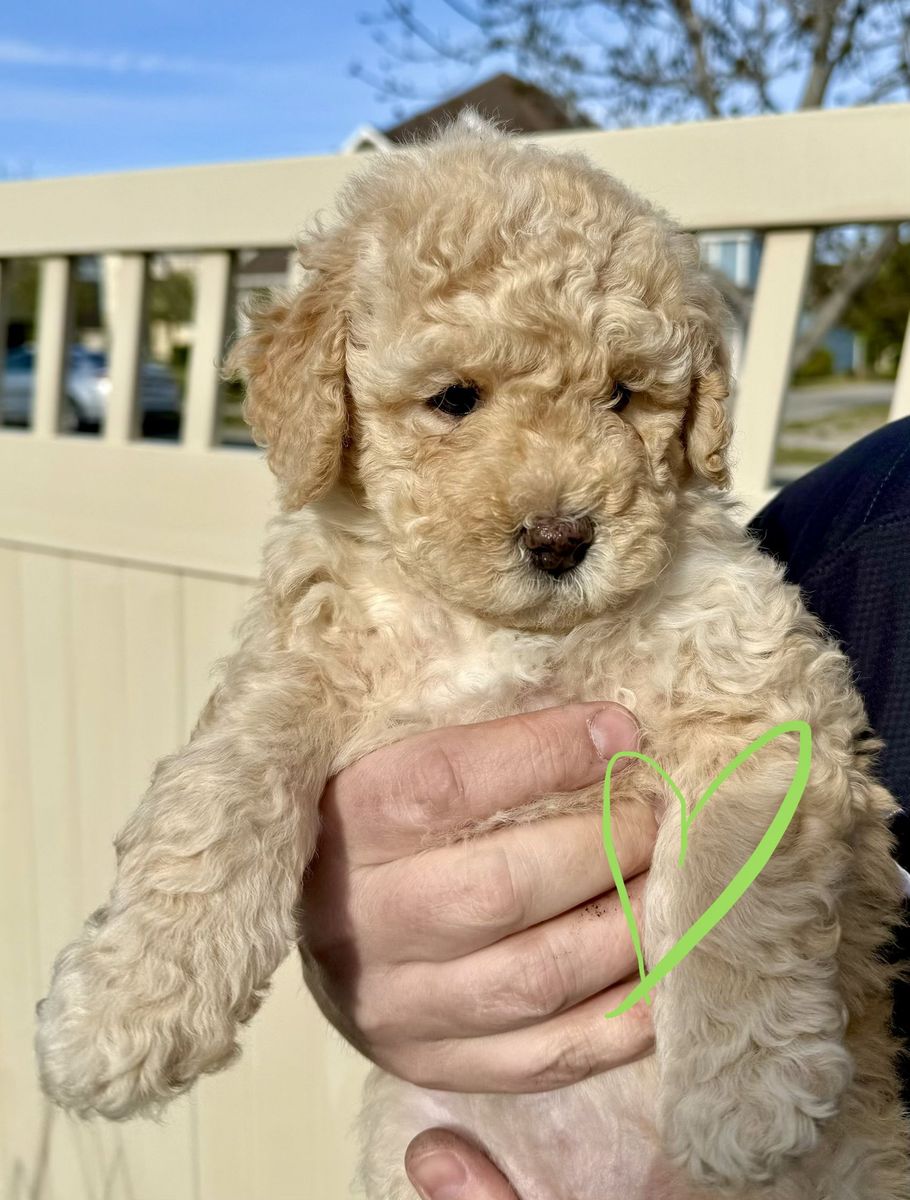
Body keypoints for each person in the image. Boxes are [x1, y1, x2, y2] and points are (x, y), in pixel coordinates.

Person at [298, 417, 910, 1200]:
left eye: (620, 396)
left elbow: (782, 767)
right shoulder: (864, 540)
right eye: (456, 399)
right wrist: (378, 930)